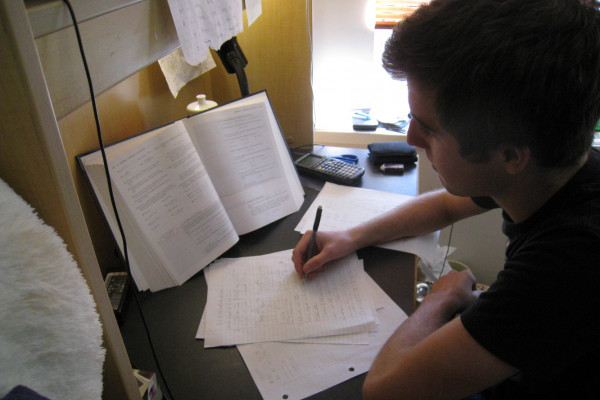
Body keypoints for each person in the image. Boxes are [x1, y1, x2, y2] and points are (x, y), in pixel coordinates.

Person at [291, 0, 600, 398]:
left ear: (509, 155)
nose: (410, 140)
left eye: (429, 128)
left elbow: (384, 391)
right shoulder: (554, 166)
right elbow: (442, 206)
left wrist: (440, 300)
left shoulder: (569, 265)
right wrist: (351, 236)